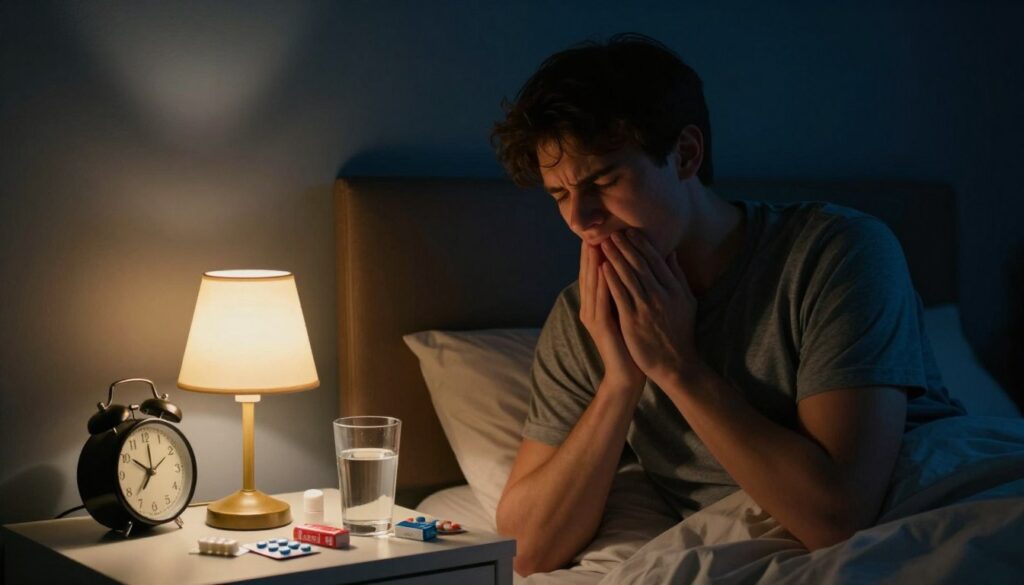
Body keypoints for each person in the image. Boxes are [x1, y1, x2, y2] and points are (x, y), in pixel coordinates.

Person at [489, 33, 965, 576]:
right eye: (560, 195)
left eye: (604, 180)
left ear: (686, 154)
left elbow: (839, 516)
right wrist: (621, 381)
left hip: (926, 510)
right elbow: (523, 551)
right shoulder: (585, 317)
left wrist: (675, 365)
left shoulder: (835, 252)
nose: (580, 219)